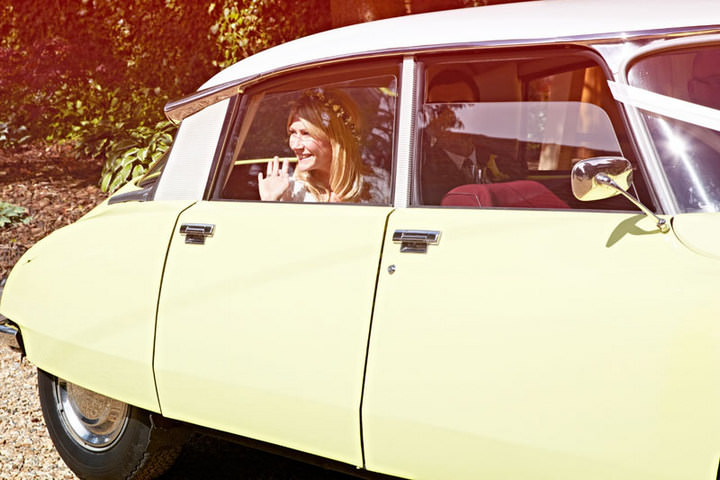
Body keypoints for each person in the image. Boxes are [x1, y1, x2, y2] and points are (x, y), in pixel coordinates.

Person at [258, 88, 389, 204]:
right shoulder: (290, 190)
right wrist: (270, 202)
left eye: (306, 133)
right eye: (293, 132)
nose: (295, 145)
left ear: (336, 139)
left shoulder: (379, 182)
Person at [421, 69, 525, 205]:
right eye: (439, 108)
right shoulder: (421, 169)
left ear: (478, 110)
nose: (450, 115)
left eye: (460, 106)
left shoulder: (503, 160)